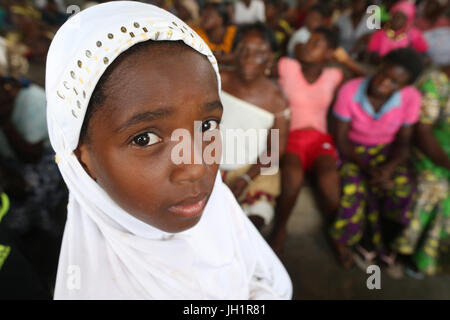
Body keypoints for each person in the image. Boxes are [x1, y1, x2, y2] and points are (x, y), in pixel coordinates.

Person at [47, 1, 292, 299]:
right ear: (80, 157)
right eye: (144, 139)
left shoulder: (218, 204)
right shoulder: (94, 287)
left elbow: (265, 278)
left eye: (206, 126)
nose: (197, 167)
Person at [329, 48, 424, 274]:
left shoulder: (411, 98)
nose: (383, 83)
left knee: (403, 188)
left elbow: (403, 142)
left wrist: (388, 168)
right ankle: (356, 241)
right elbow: (341, 139)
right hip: (353, 152)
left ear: (404, 86)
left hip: (387, 152)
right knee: (354, 187)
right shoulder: (350, 91)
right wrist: (368, 168)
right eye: (383, 74)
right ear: (378, 67)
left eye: (394, 82)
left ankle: (388, 242)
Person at [271, 27, 343, 255]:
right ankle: (280, 229)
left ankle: (338, 234)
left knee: (329, 181)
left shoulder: (334, 74)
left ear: (329, 53)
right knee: (292, 178)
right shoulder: (287, 66)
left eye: (316, 43)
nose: (306, 45)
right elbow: (258, 70)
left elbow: (363, 83)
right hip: (292, 136)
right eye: (307, 41)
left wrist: (346, 60)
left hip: (320, 138)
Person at [220, 23, 290, 230]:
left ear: (270, 59)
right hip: (208, 162)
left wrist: (245, 177)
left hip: (250, 168)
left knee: (256, 218)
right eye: (244, 49)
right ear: (235, 52)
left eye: (259, 52)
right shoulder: (217, 80)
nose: (249, 57)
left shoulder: (277, 101)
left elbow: (274, 150)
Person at [392, 64, 450, 277]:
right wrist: (446, 163)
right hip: (428, 152)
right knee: (435, 190)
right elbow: (422, 131)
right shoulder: (434, 82)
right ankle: (410, 255)